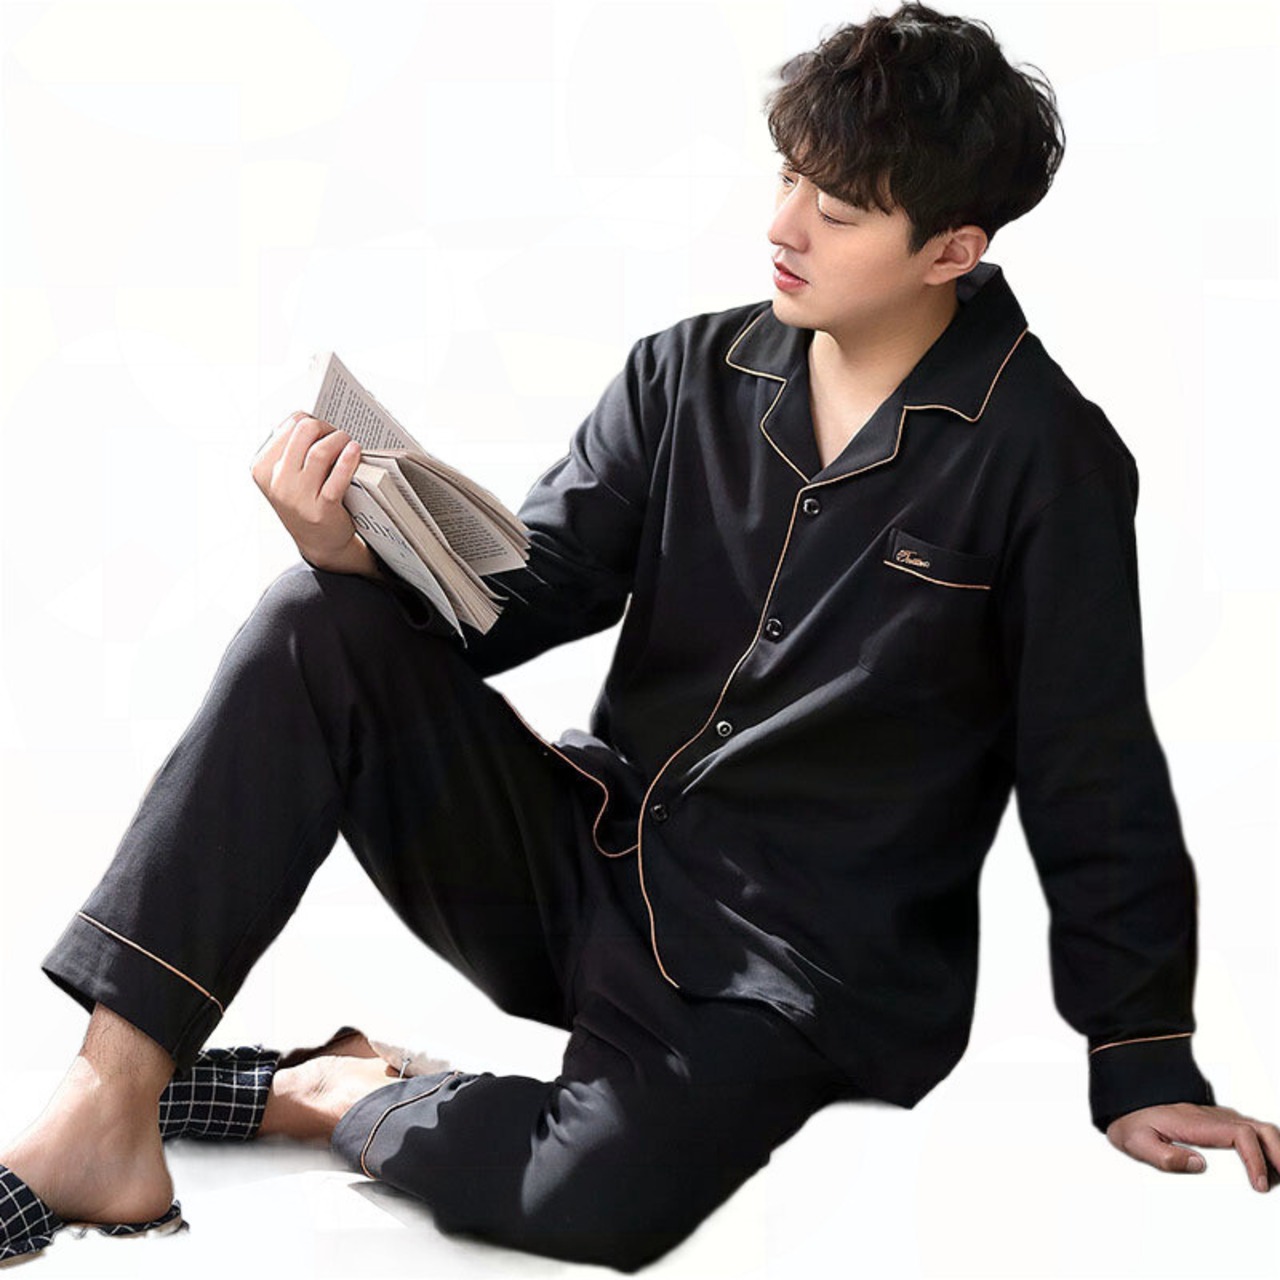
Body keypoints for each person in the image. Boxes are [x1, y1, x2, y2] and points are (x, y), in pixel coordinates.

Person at [2, 2, 1276, 1271]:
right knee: (310, 622)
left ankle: (341, 1087)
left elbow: (1087, 761)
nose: (783, 227)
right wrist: (351, 551)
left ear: (951, 248)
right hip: (587, 865)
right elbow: (526, 595)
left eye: (836, 212)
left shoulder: (1046, 457)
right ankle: (106, 1102)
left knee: (587, 1201)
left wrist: (1140, 1057)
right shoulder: (682, 374)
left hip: (797, 971)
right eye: (786, 176)